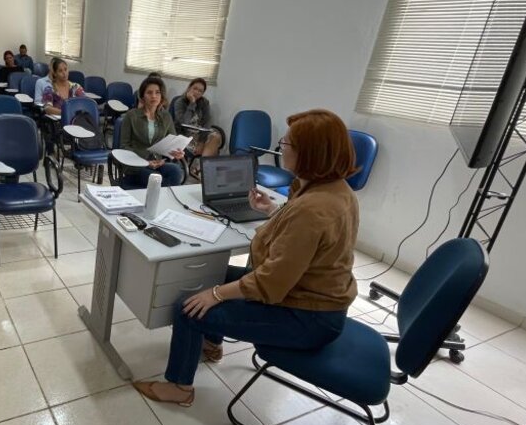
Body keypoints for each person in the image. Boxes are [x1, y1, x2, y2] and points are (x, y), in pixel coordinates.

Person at [133, 109, 360, 406]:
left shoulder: (315, 208)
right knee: (208, 277)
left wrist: (216, 295)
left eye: (287, 144)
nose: (281, 148)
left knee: (188, 308)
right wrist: (271, 211)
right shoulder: (333, 189)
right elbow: (307, 243)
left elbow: (271, 282)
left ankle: (179, 388)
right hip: (305, 293)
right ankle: (212, 343)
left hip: (307, 317)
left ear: (310, 154)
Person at [119, 76, 185, 187]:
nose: (154, 96)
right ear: (143, 96)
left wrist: (177, 152)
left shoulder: (166, 116)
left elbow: (173, 142)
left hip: (158, 163)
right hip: (136, 163)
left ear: (162, 95)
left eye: (157, 92)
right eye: (149, 93)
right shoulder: (131, 115)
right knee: (154, 178)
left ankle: (160, 201)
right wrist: (145, 161)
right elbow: (124, 145)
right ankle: (160, 202)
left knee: (176, 171)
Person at [172, 78, 225, 175]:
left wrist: (201, 142)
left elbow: (207, 123)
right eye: (195, 88)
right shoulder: (179, 102)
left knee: (216, 136)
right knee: (212, 150)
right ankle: (202, 171)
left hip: (200, 134)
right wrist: (192, 103)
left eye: (200, 91)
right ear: (189, 88)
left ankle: (200, 168)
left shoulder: (204, 103)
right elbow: (184, 122)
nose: (196, 92)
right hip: (185, 135)